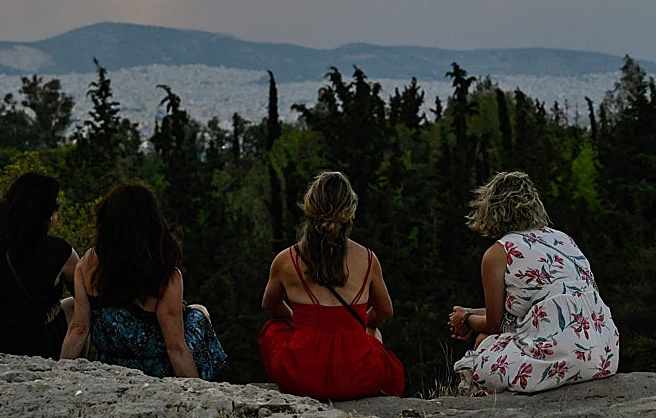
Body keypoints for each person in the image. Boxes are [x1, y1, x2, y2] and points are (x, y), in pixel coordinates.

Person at [448, 171, 619, 394]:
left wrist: (467, 319)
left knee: (483, 342)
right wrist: (468, 312)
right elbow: (533, 307)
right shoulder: (563, 239)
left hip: (562, 358)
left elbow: (494, 324)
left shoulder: (499, 253)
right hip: (603, 354)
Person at [60, 181, 230, 380]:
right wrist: (194, 392)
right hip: (158, 367)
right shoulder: (165, 274)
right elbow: (174, 348)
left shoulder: (88, 264)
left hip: (113, 362)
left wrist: (61, 376)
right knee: (199, 313)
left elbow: (79, 328)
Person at [258, 170, 405, 400]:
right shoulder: (367, 259)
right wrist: (360, 325)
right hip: (358, 376)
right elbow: (385, 311)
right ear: (349, 212)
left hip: (302, 375)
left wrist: (299, 322)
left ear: (309, 207)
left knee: (273, 329)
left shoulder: (286, 260)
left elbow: (271, 307)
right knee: (373, 334)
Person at [0, 171, 79, 359]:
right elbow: (87, 300)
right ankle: (74, 373)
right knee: (76, 306)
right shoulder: (60, 252)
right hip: (26, 343)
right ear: (49, 215)